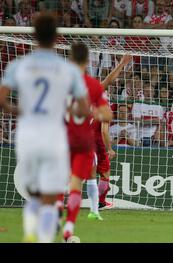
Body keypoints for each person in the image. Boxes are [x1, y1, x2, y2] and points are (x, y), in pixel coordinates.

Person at [0, 13, 90, 243]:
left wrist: (17, 110)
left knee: (35, 197)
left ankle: (30, 232)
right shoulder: (67, 69)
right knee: (50, 199)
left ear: (34, 36)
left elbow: (2, 100)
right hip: (54, 137)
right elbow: (84, 108)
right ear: (57, 38)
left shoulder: (18, 65)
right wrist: (67, 111)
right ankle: (43, 239)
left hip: (28, 135)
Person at [62, 42, 113, 241]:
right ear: (87, 60)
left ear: (70, 59)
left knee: (58, 182)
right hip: (83, 141)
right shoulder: (92, 85)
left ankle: (56, 215)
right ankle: (68, 230)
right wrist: (91, 110)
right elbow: (107, 114)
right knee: (77, 183)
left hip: (60, 138)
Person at [92, 54, 132, 210]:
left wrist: (121, 64)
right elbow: (104, 131)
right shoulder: (104, 108)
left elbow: (108, 80)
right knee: (105, 173)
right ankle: (101, 201)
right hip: (96, 143)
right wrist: (109, 148)